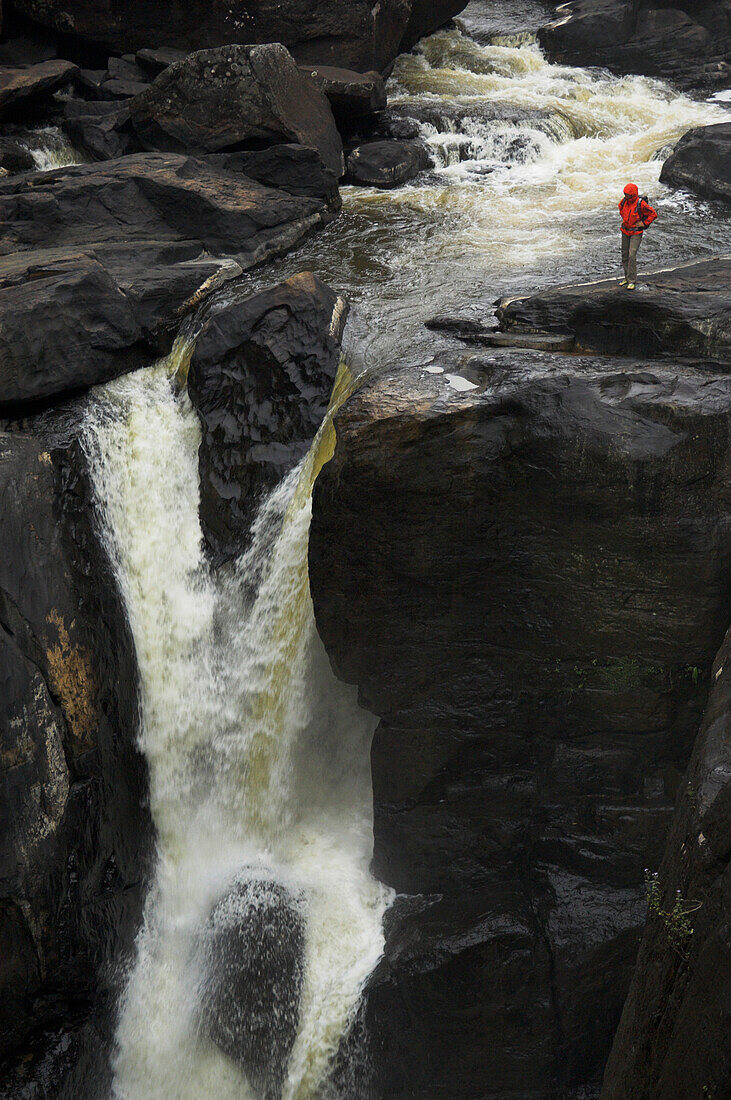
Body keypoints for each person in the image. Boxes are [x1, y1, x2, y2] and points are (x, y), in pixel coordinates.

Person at [618, 183, 657, 289]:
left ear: (633, 195)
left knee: (632, 255)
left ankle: (632, 280)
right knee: (624, 255)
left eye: (628, 195)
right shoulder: (624, 201)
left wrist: (644, 223)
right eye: (625, 194)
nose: (626, 196)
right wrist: (627, 221)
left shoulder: (641, 204)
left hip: (636, 233)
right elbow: (621, 209)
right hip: (625, 231)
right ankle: (626, 277)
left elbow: (653, 214)